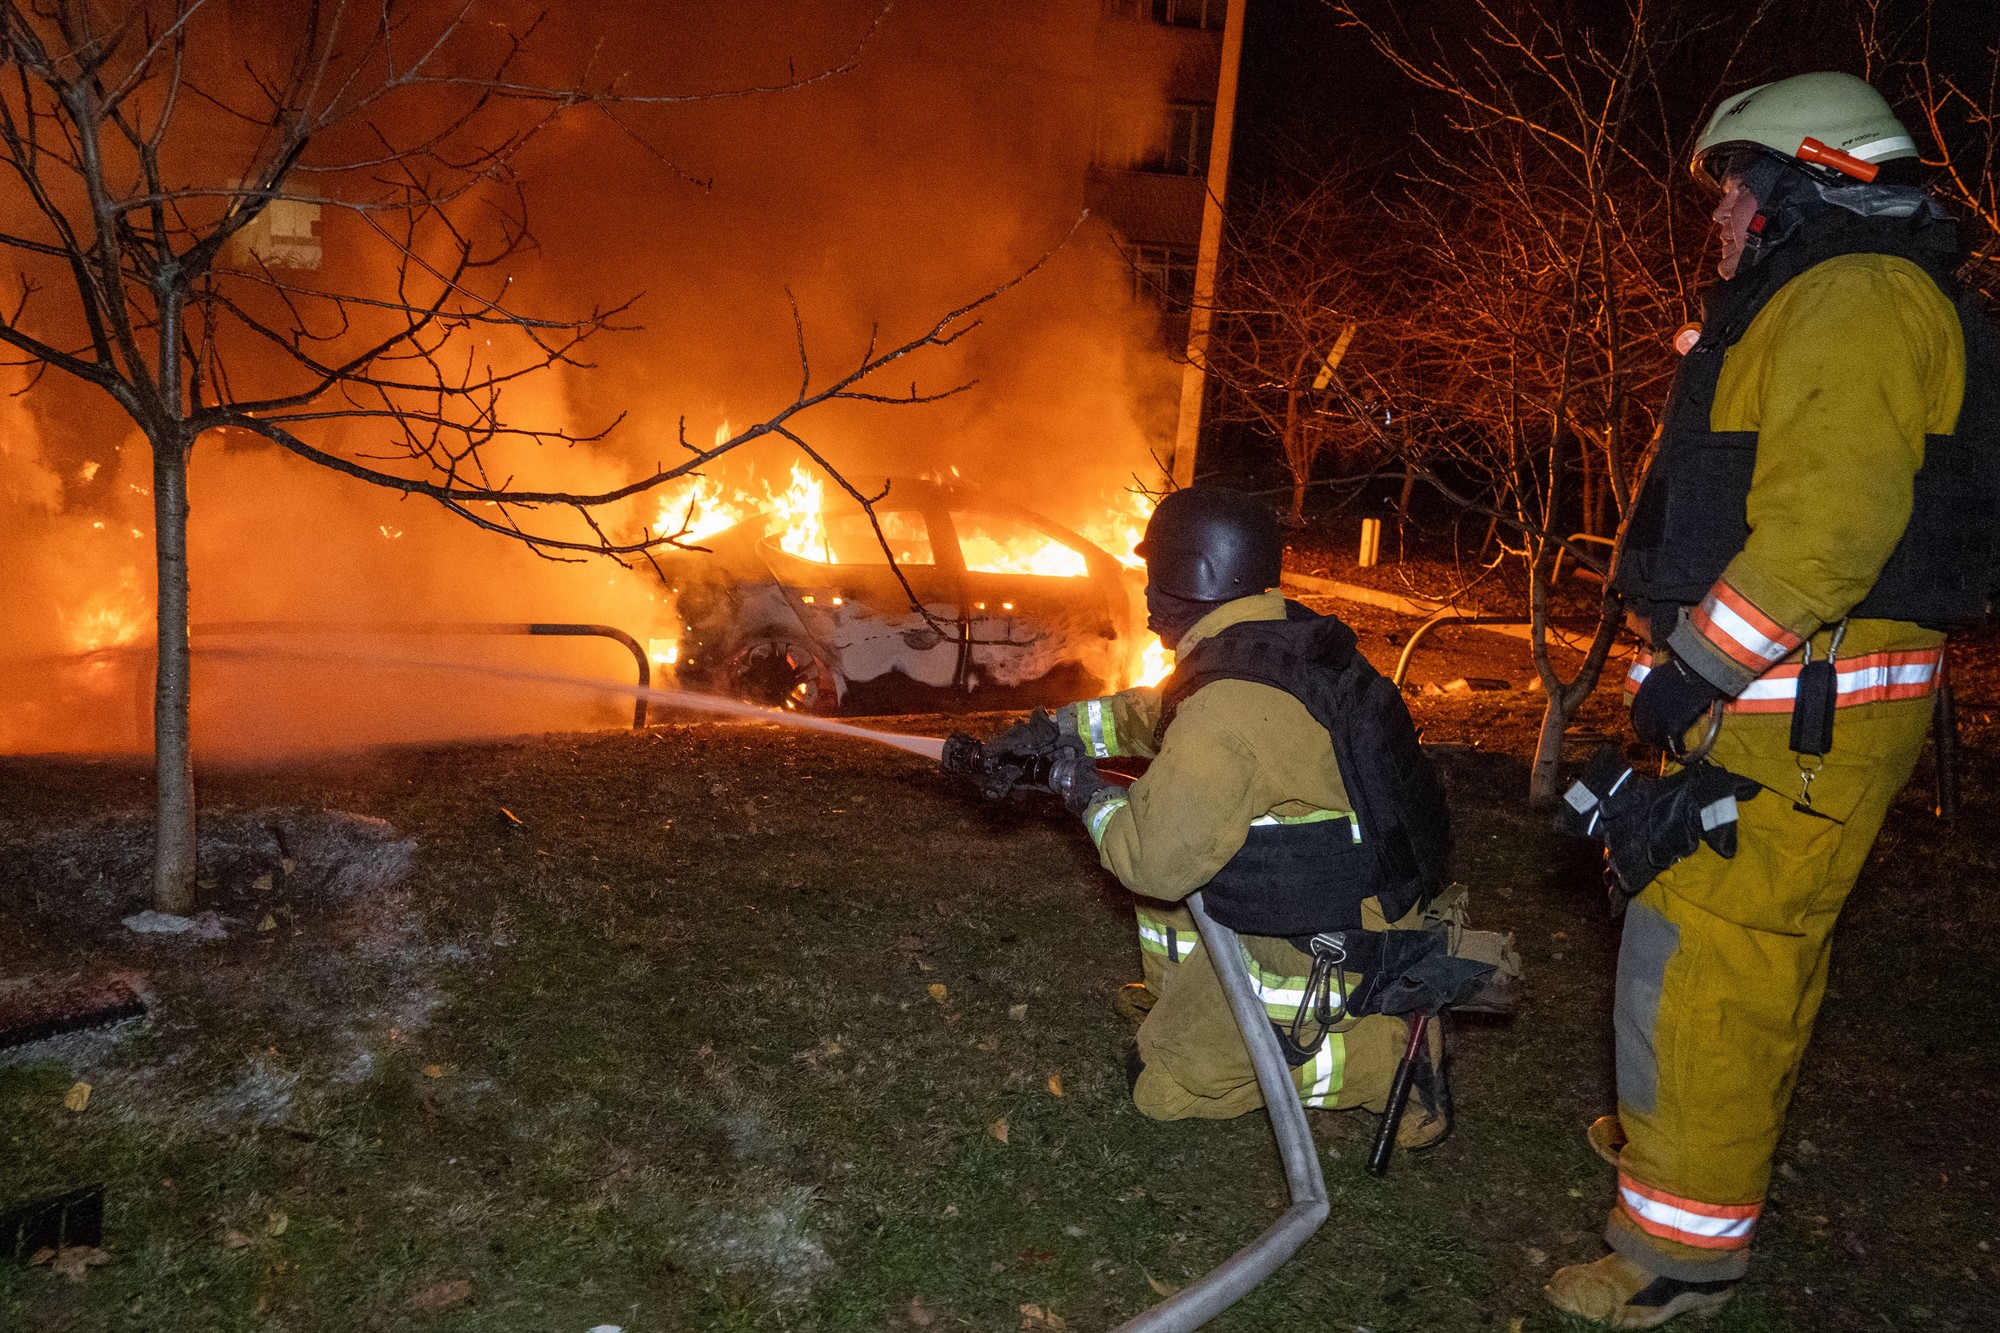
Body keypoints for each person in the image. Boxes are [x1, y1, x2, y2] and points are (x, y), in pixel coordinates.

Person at [1547, 72, 1973, 1328]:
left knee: (1707, 968)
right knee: (1712, 951)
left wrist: (1695, 666)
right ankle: (1681, 1136)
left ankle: (1675, 1251)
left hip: (1793, 716)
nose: (1718, 212)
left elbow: (1826, 531)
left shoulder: (1854, 299)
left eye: (1736, 186)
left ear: (1806, 182)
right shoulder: (1824, 297)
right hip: (1783, 710)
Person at [999, 486, 1508, 1143]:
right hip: (1356, 904)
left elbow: (1151, 863)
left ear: (1193, 577)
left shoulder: (1227, 711)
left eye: (1155, 577)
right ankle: (1182, 998)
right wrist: (1060, 727)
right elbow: (1165, 711)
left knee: (1161, 1086)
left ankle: (1381, 1063)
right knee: (1178, 854)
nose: (1146, 596)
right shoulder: (1277, 645)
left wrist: (1081, 790)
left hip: (1324, 953)